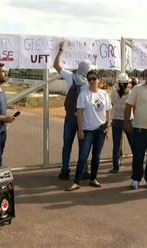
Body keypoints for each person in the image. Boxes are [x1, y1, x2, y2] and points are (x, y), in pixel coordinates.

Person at [66, 70, 112, 191]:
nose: (92, 81)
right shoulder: (83, 94)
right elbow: (80, 113)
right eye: (89, 79)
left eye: (94, 78)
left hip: (100, 130)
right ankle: (77, 181)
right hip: (87, 131)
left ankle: (93, 178)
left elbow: (107, 111)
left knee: (96, 156)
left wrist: (108, 127)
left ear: (98, 80)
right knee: (83, 156)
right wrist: (80, 130)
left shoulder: (104, 94)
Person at [53, 41, 91, 180]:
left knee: (67, 145)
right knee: (84, 146)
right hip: (84, 118)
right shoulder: (89, 83)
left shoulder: (70, 77)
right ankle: (83, 170)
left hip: (70, 116)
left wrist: (61, 49)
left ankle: (65, 170)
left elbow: (56, 65)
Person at [109, 72, 134, 173]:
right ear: (127, 82)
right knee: (133, 143)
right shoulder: (131, 93)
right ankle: (136, 165)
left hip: (116, 120)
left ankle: (116, 166)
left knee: (116, 144)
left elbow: (112, 102)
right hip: (129, 120)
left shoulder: (114, 93)